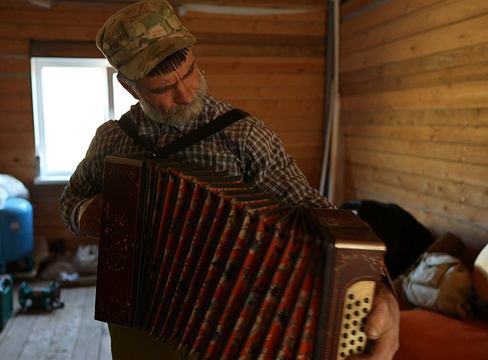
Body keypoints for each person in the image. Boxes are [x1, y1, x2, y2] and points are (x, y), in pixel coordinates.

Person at [59, 0, 400, 359]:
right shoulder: (111, 140)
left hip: (224, 327)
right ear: (129, 87)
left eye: (189, 72)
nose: (187, 94)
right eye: (162, 90)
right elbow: (70, 201)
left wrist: (381, 288)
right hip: (134, 317)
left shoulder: (243, 136)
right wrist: (84, 213)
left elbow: (319, 216)